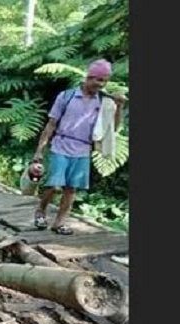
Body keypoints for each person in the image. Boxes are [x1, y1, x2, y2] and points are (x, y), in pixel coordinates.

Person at [31, 59, 125, 234]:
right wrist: (39, 150)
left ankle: (59, 222)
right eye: (98, 80)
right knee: (54, 185)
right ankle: (40, 211)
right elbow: (51, 124)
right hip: (61, 144)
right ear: (89, 78)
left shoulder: (104, 102)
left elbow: (114, 128)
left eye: (104, 81)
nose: (101, 84)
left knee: (71, 188)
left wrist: (119, 107)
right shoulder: (66, 96)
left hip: (83, 149)